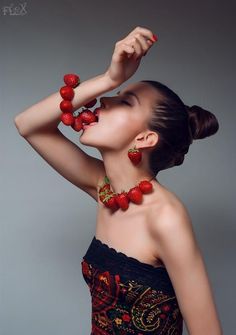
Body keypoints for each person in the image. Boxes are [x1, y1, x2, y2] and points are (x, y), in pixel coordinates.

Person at [14, 26, 223, 334]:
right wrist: (110, 78)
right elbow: (28, 125)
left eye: (125, 102)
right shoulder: (105, 189)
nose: (105, 102)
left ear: (145, 137)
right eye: (115, 95)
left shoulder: (165, 217)